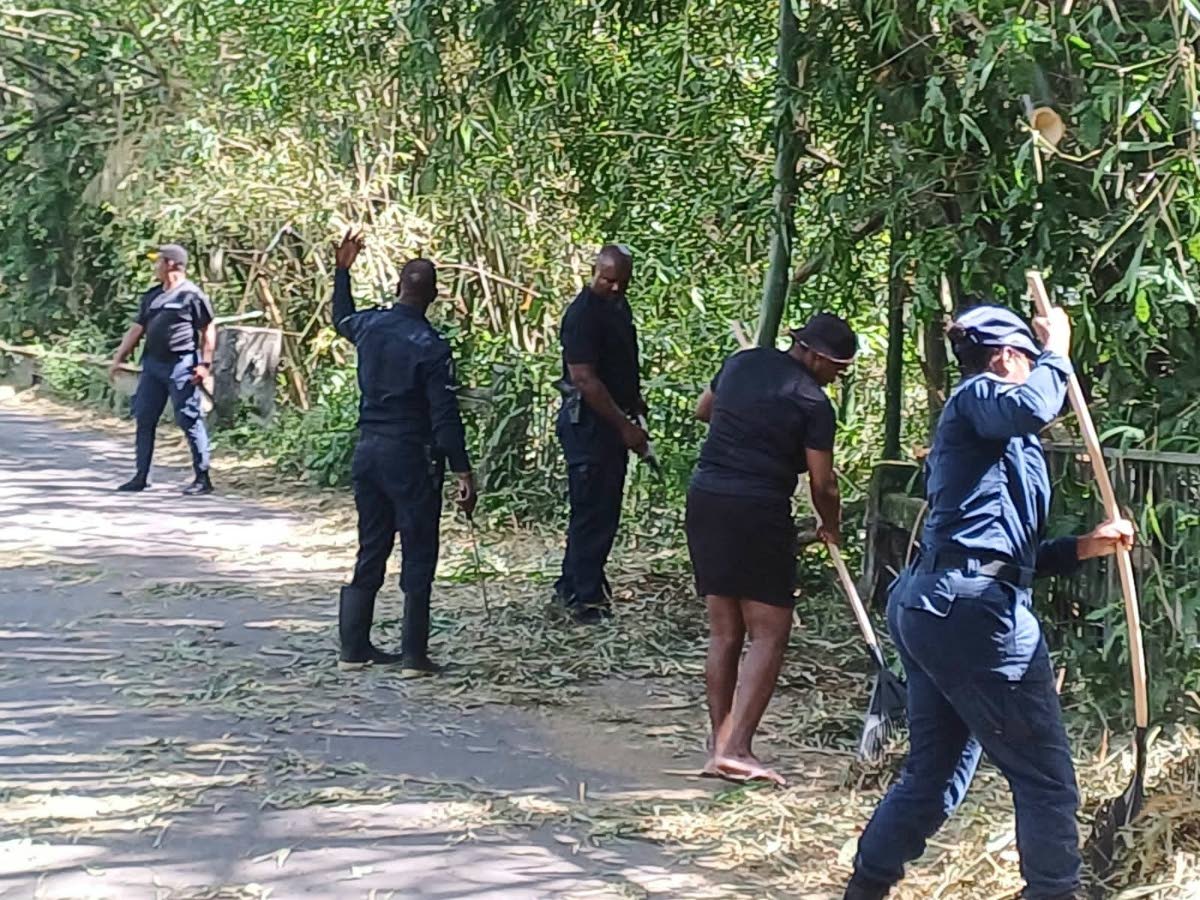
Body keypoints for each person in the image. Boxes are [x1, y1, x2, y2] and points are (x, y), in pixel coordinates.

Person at [843, 304, 1135, 900]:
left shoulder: (1002, 435)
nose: (1036, 370)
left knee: (936, 774)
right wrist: (1058, 350)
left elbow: (1001, 551)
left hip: (943, 604)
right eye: (1028, 359)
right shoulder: (982, 394)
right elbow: (1033, 401)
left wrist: (1085, 546)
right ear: (1007, 357)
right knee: (1047, 781)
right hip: (967, 611)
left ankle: (866, 888)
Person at [688, 313, 857, 785]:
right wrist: (831, 526)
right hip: (757, 508)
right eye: (837, 369)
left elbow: (705, 410)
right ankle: (737, 747)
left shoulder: (744, 363)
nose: (837, 378)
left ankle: (718, 744)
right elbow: (823, 483)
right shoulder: (813, 403)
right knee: (770, 631)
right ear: (817, 356)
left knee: (724, 631)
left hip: (706, 498)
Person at [330, 231, 477, 674]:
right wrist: (462, 470)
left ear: (398, 287)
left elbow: (341, 319)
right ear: (433, 296)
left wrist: (342, 272)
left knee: (371, 545)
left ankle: (353, 648)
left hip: (368, 451)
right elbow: (443, 415)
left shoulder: (370, 326)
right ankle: (413, 653)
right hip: (410, 456)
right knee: (418, 548)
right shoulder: (431, 346)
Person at [553, 244, 649, 625]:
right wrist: (624, 427)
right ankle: (586, 598)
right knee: (592, 510)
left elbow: (620, 360)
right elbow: (584, 378)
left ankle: (573, 585)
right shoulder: (581, 316)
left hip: (612, 419)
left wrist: (633, 401)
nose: (614, 288)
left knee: (602, 509)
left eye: (622, 283)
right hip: (588, 427)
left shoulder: (617, 308)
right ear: (594, 271)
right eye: (608, 280)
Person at [109, 244, 216, 495]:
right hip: (152, 365)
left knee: (188, 418)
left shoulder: (192, 296)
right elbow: (138, 328)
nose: (155, 266)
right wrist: (119, 357)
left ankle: (202, 477)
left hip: (182, 364)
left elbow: (208, 329)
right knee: (144, 418)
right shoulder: (153, 295)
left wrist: (205, 364)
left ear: (171, 264)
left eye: (158, 261)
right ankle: (141, 476)